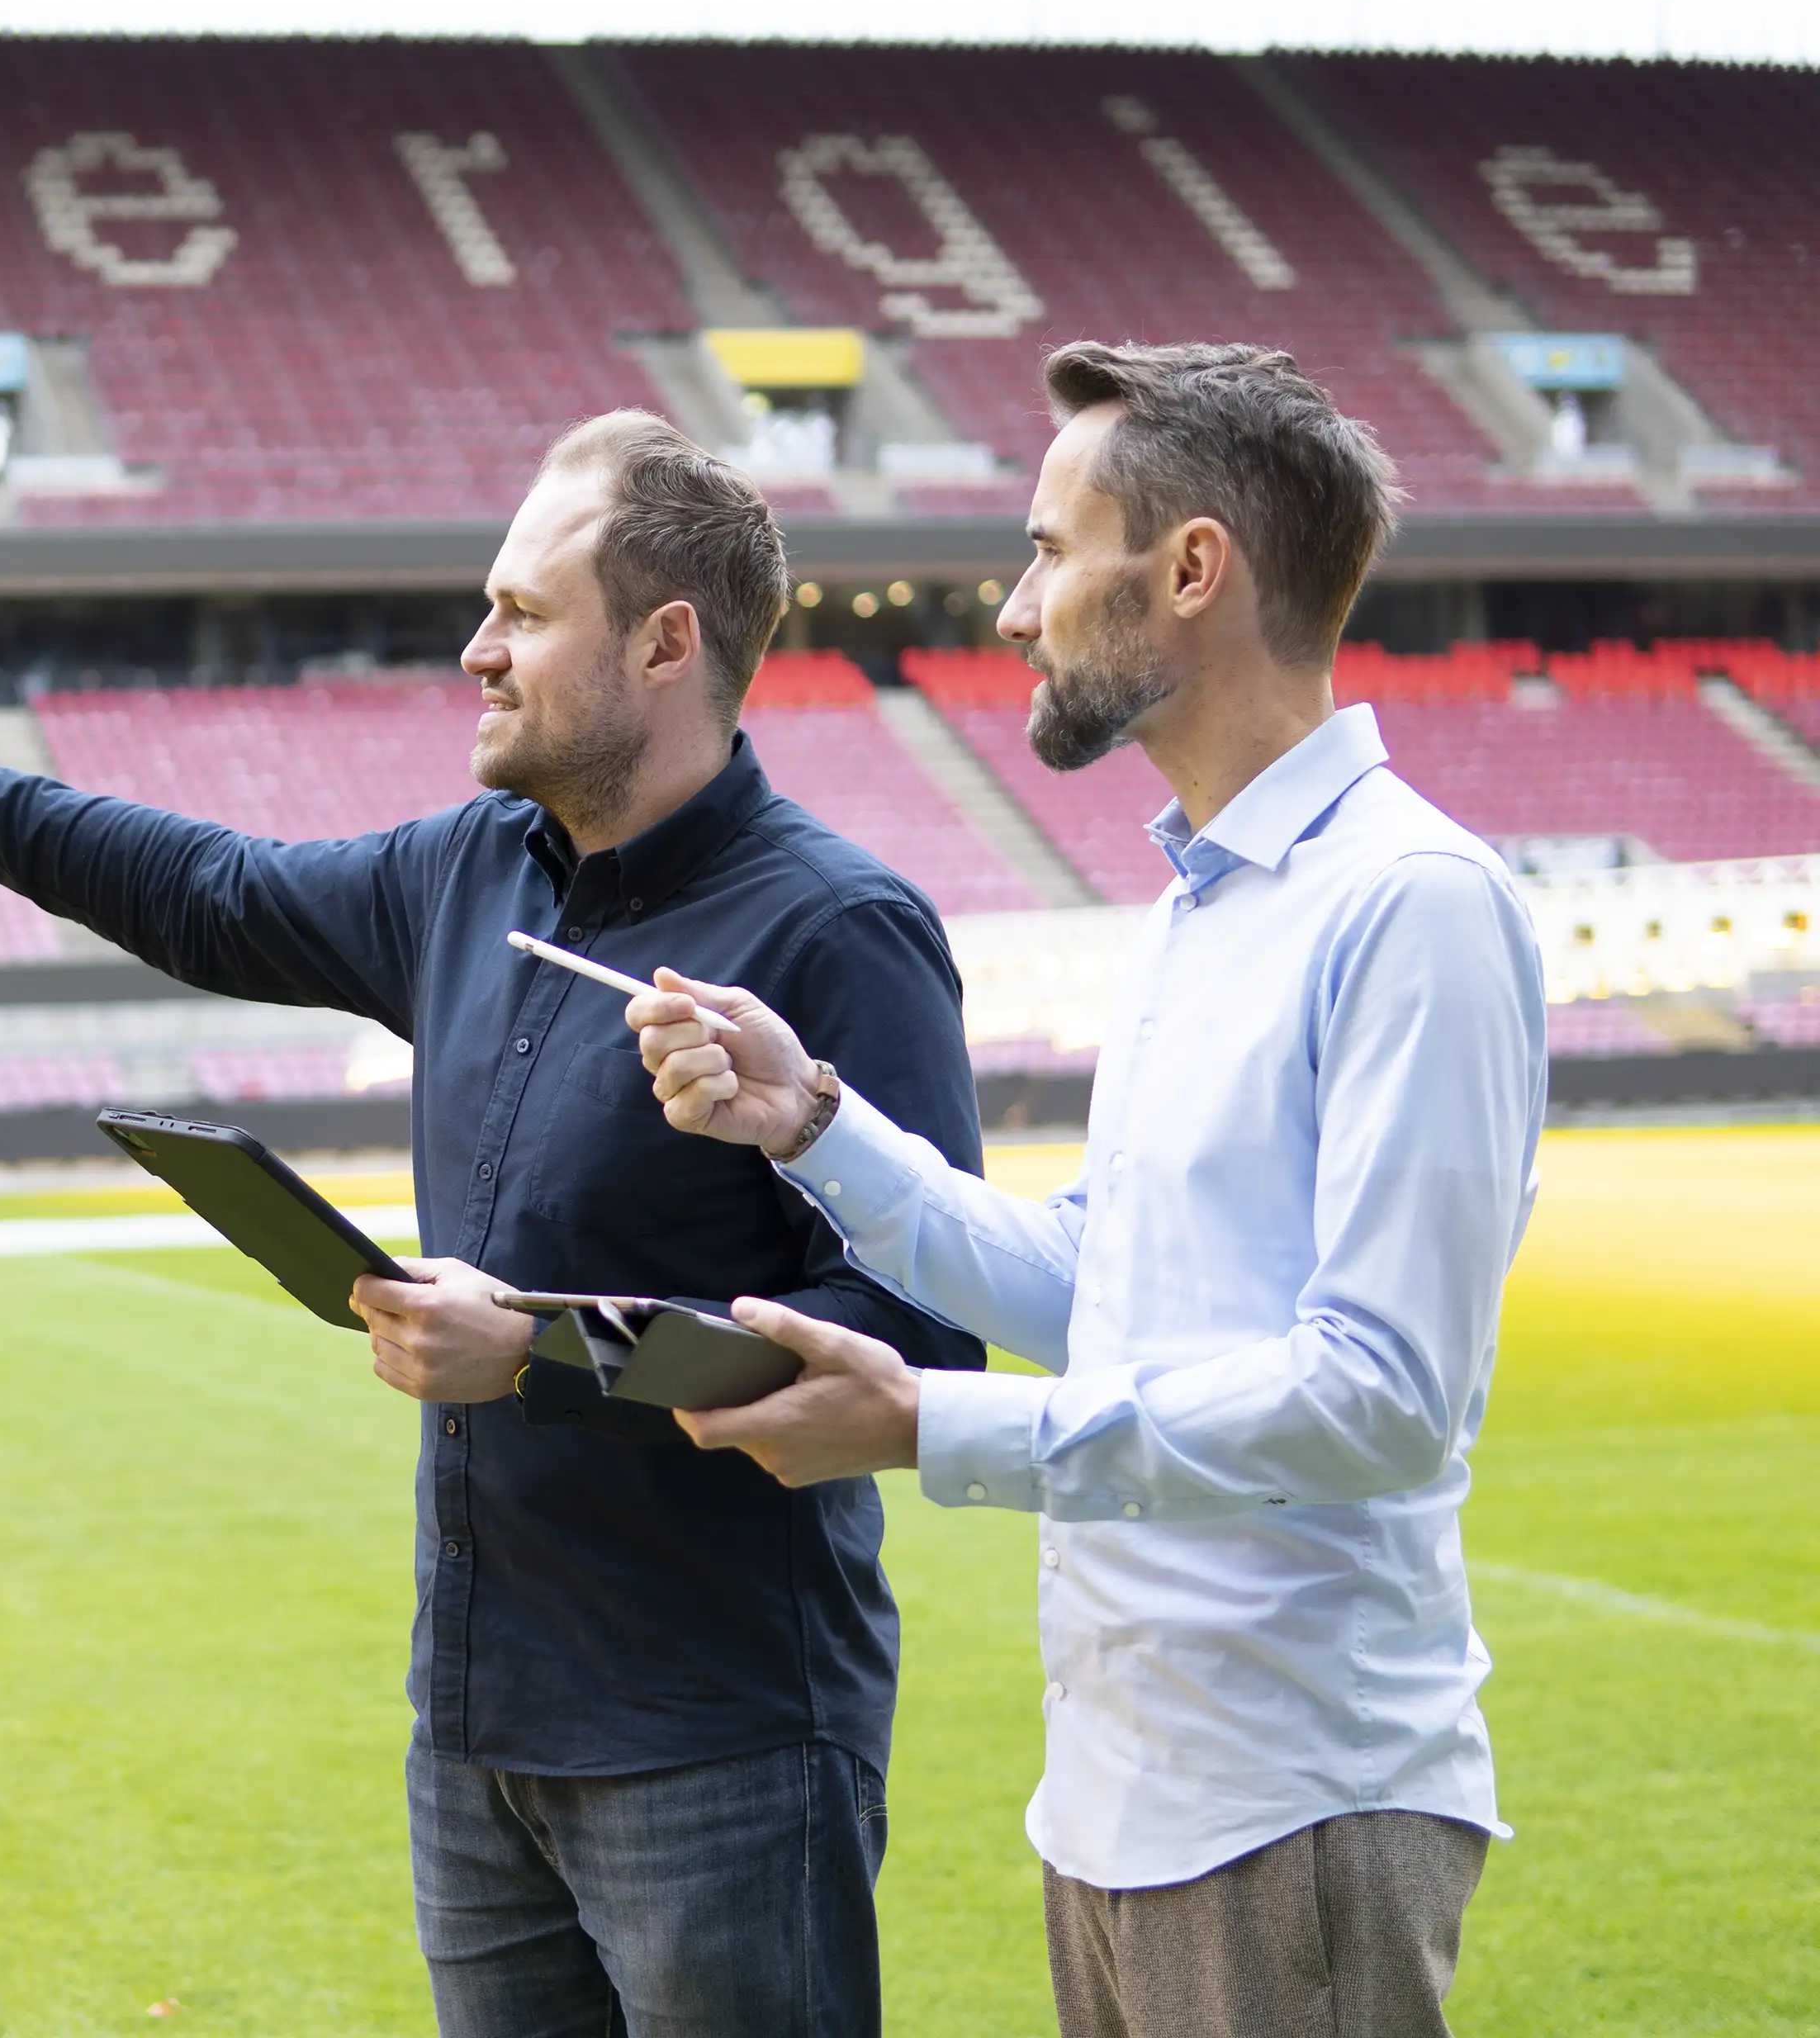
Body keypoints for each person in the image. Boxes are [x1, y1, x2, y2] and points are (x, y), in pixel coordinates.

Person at [0, 412, 987, 2037]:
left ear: (666, 643)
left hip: (715, 1735)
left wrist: (536, 1352)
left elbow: (913, 1354)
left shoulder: (838, 927)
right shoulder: (473, 873)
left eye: (524, 613)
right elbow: (203, 886)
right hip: (475, 1724)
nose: (478, 650)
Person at [628, 343, 1547, 2038]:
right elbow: (1099, 1283)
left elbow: (1387, 1395)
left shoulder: (1413, 903)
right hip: (1123, 1795)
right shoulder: (1203, 904)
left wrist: (932, 1430)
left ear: (1192, 570)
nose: (1012, 606)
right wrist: (814, 1121)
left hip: (1297, 1803)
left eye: (1054, 549)